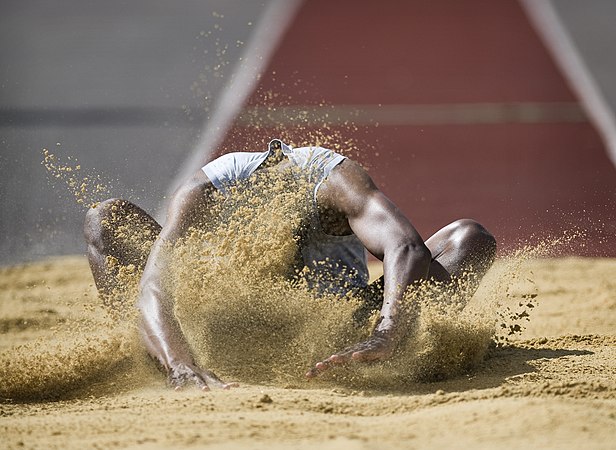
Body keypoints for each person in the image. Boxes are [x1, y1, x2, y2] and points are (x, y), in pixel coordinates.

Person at [84, 139, 496, 390]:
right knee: (106, 218)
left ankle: (395, 354)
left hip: (343, 325)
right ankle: (159, 353)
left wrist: (386, 331)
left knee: (469, 239)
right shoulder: (202, 193)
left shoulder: (332, 180)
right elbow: (155, 286)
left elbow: (406, 247)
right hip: (222, 326)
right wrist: (180, 366)